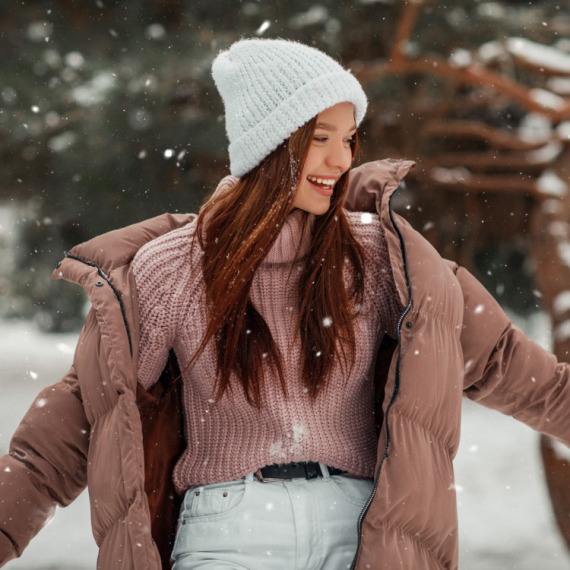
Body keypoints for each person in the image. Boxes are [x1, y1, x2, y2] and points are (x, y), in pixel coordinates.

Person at [1, 37, 570, 570]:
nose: (340, 160)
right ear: (271, 144)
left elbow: (505, 364)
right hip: (229, 529)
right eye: (319, 138)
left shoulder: (382, 258)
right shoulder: (172, 267)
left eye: (348, 140)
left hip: (358, 527)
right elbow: (77, 422)